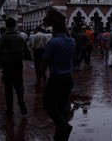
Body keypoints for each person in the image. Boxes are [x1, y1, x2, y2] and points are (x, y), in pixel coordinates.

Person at [36, 8, 75, 141]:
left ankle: (63, 125)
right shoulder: (71, 41)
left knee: (48, 105)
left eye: (52, 29)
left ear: (55, 30)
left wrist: (38, 78)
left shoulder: (53, 43)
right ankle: (60, 133)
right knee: (62, 105)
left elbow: (44, 63)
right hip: (68, 78)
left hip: (56, 78)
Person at [0, 17, 32, 115]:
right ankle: (21, 100)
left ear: (6, 26)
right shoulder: (20, 37)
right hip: (18, 63)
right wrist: (29, 59)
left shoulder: (3, 37)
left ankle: (10, 109)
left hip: (7, 64)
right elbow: (27, 50)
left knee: (8, 87)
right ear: (15, 25)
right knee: (19, 84)